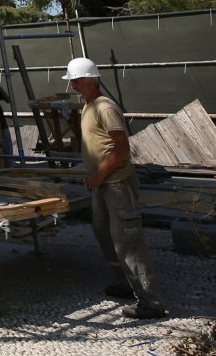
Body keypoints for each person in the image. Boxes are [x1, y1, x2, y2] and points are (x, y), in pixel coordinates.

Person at [66, 56, 167, 320]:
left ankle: (151, 302)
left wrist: (99, 174)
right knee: (105, 235)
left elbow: (121, 148)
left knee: (128, 241)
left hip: (116, 184)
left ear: (89, 80)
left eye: (75, 81)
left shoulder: (104, 107)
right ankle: (126, 284)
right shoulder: (89, 106)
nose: (72, 87)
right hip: (102, 184)